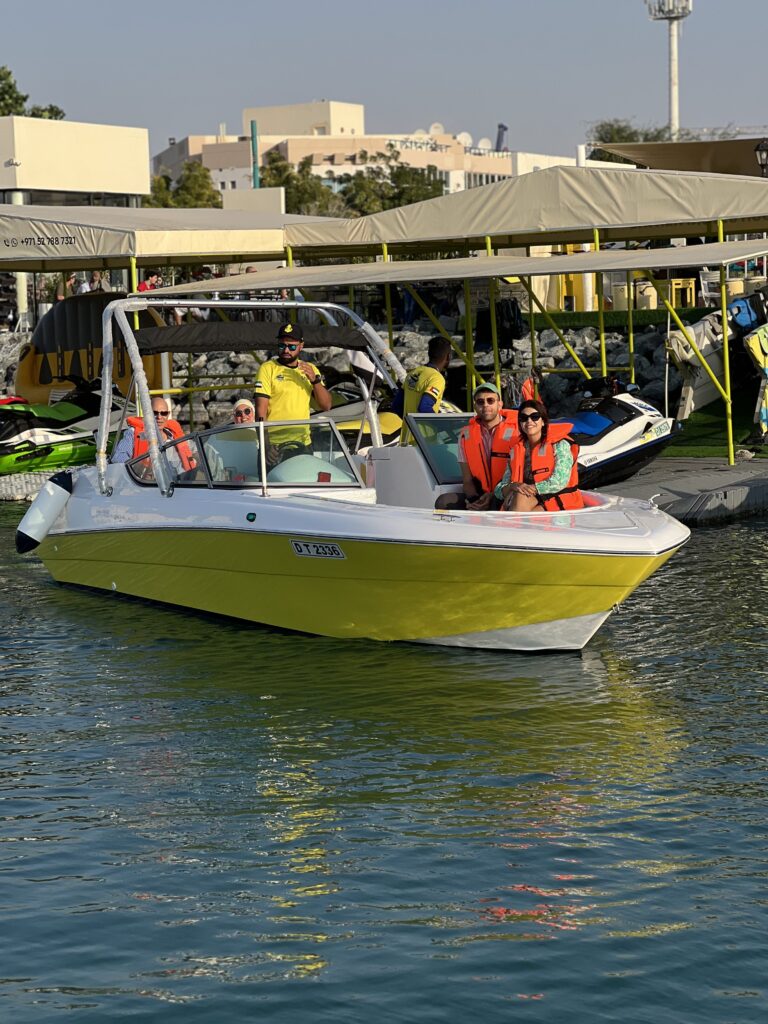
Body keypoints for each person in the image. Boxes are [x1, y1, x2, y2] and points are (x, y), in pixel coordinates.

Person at [254, 324, 332, 446]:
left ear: (301, 346)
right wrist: (266, 445)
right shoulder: (267, 368)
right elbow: (260, 410)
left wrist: (315, 381)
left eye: (291, 346)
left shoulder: (310, 369)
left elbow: (326, 406)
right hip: (274, 443)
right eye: (281, 345)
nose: (286, 350)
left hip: (303, 442)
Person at [500, 399, 584, 512]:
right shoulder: (515, 450)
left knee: (521, 499)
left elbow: (559, 481)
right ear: (520, 423)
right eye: (524, 418)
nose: (529, 421)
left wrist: (530, 488)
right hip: (527, 498)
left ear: (543, 421)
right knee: (519, 497)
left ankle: (515, 528)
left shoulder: (559, 445)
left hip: (558, 496)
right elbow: (499, 488)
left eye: (534, 416)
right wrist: (513, 486)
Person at [456, 383, 518, 510]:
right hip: (480, 494)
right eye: (480, 402)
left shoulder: (518, 430)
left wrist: (494, 495)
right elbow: (467, 480)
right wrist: (473, 500)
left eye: (490, 400)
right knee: (444, 501)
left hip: (507, 492)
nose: (485, 405)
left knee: (497, 505)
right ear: (475, 406)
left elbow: (521, 475)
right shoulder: (464, 435)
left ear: (500, 404)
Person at [391, 336, 452, 445]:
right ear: (448, 356)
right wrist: (443, 425)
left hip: (405, 440)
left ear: (429, 354)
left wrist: (410, 424)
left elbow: (396, 406)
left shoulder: (413, 373)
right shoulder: (436, 378)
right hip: (424, 443)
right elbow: (424, 407)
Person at [111, 397, 195, 472]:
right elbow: (118, 458)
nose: (159, 417)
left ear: (168, 414)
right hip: (146, 485)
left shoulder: (174, 434)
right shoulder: (133, 433)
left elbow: (195, 450)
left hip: (179, 484)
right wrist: (138, 468)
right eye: (155, 413)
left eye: (164, 413)